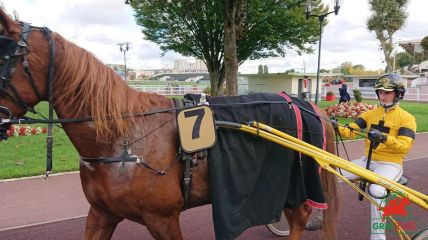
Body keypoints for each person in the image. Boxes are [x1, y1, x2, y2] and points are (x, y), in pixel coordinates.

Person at [334, 73, 416, 240]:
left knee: (376, 190)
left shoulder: (407, 118)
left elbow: (405, 147)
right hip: (367, 161)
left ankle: (378, 238)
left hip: (391, 165)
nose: (382, 96)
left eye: (387, 92)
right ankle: (323, 216)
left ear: (398, 94)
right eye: (380, 92)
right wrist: (336, 126)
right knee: (333, 174)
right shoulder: (371, 114)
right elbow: (351, 130)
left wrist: (384, 138)